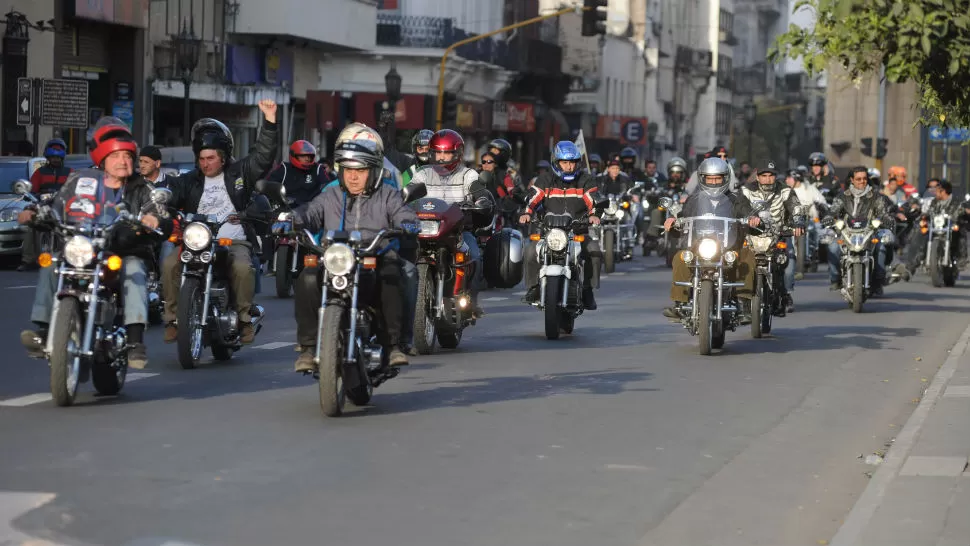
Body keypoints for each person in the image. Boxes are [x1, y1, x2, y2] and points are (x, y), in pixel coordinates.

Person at [19, 117, 171, 369]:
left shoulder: (140, 188)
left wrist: (153, 218)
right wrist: (36, 212)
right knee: (52, 261)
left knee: (134, 270)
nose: (123, 161)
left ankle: (135, 341)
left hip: (123, 251)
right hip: (85, 248)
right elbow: (58, 204)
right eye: (115, 156)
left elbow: (160, 213)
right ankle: (43, 330)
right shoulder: (80, 182)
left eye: (127, 156)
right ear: (102, 159)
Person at [290, 139, 418, 372]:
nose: (353, 177)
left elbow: (403, 213)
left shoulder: (388, 195)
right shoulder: (331, 196)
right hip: (337, 256)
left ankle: (392, 346)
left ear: (373, 171)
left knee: (392, 274)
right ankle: (308, 348)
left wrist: (407, 223)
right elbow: (310, 212)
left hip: (374, 254)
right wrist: (291, 220)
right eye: (348, 170)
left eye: (360, 170)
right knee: (308, 277)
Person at [161, 100, 279, 345]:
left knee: (243, 268)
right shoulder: (189, 180)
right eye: (202, 158)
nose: (206, 163)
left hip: (233, 240)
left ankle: (244, 319)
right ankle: (173, 319)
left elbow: (263, 156)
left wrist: (269, 121)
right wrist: (159, 200)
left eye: (211, 158)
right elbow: (169, 191)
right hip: (198, 242)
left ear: (223, 158)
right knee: (170, 263)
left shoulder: (240, 174)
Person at [662, 157, 760, 320]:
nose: (714, 182)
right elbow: (683, 216)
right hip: (699, 246)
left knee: (747, 256)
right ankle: (680, 304)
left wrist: (753, 219)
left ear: (725, 178)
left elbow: (747, 212)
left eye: (717, 178)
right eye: (710, 178)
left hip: (728, 247)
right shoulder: (694, 199)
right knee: (680, 258)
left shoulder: (736, 198)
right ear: (702, 178)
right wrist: (673, 221)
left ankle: (744, 303)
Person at [409, 129, 492, 316]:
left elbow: (478, 191)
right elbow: (410, 192)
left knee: (475, 257)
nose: (441, 157)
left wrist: (480, 201)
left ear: (458, 154)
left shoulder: (467, 175)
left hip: (458, 231)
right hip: (426, 229)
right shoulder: (422, 173)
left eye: (446, 153)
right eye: (438, 152)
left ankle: (469, 300)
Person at [519, 141, 601, 310]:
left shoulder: (585, 180)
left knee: (594, 250)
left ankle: (587, 289)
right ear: (556, 162)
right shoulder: (545, 180)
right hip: (548, 232)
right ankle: (533, 287)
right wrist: (527, 212)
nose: (569, 167)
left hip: (577, 231)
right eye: (565, 162)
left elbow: (594, 199)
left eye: (572, 162)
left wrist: (594, 215)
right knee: (529, 251)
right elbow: (533, 197)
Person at [741, 161, 805, 313]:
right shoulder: (746, 190)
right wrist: (749, 217)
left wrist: (798, 222)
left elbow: (795, 206)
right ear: (758, 177)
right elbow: (740, 206)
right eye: (764, 176)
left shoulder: (785, 191)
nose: (768, 179)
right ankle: (741, 299)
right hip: (752, 236)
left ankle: (785, 294)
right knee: (739, 264)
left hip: (779, 235)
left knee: (788, 266)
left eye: (771, 175)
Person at [821, 166, 895, 294]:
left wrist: (887, 218)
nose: (862, 181)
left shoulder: (876, 196)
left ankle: (878, 280)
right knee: (833, 247)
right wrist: (828, 217)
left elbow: (882, 212)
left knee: (882, 246)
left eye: (864, 179)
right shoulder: (843, 196)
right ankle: (835, 279)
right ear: (852, 180)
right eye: (858, 179)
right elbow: (833, 210)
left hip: (869, 232)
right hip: (846, 232)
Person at [22, 138, 73, 271]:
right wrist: (30, 195)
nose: (55, 159)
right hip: (43, 205)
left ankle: (71, 258)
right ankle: (28, 260)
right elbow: (31, 189)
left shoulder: (70, 172)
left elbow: (76, 189)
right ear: (47, 157)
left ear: (62, 158)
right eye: (52, 157)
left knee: (75, 227)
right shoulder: (40, 172)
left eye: (57, 157)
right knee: (30, 224)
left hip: (63, 207)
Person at [904, 180, 966, 274]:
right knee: (920, 233)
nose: (934, 193)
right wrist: (923, 216)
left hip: (950, 227)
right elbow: (929, 212)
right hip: (936, 227)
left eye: (937, 190)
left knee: (961, 233)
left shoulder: (957, 201)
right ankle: (911, 265)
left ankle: (961, 260)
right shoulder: (935, 201)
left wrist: (962, 213)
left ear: (943, 191)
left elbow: (961, 211)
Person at [266, 140, 330, 206]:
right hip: (287, 210)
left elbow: (328, 187)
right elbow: (267, 187)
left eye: (309, 156)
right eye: (303, 156)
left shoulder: (318, 169)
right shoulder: (284, 169)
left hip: (312, 210)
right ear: (294, 155)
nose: (307, 159)